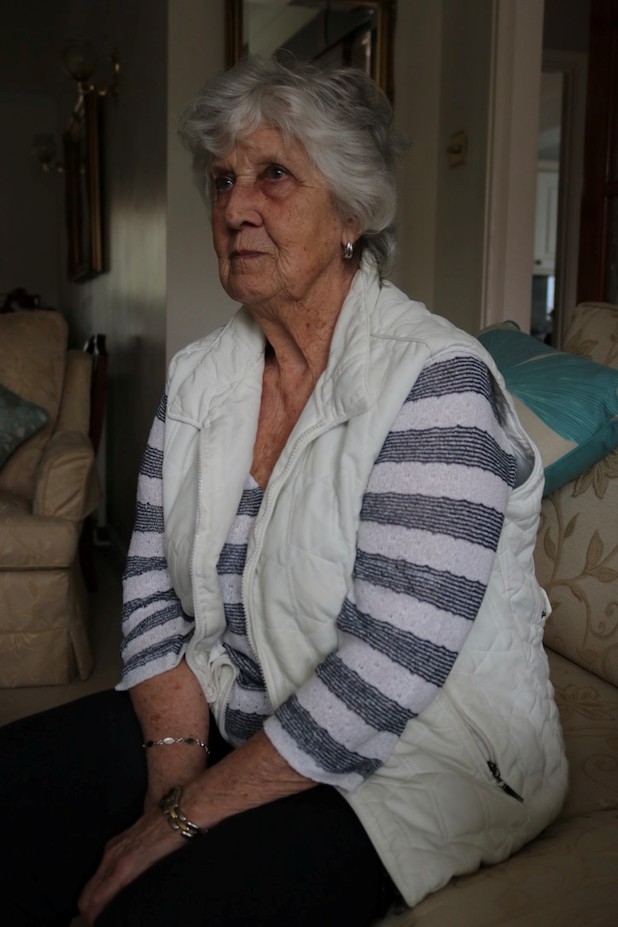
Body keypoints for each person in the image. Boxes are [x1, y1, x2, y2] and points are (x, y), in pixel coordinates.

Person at [0, 56, 567, 927]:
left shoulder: (438, 383)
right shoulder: (199, 377)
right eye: (223, 179)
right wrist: (173, 772)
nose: (233, 208)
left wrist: (180, 825)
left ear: (352, 212)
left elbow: (390, 666)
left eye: (273, 175)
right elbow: (150, 591)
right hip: (233, 703)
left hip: (419, 756)